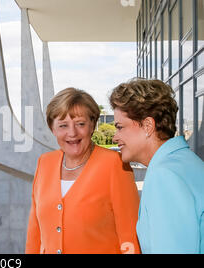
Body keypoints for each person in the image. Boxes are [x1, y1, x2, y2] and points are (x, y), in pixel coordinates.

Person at [26, 88, 141, 254]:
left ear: (92, 125)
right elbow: (34, 232)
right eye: (63, 125)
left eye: (80, 124)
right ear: (53, 129)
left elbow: (130, 236)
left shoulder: (115, 164)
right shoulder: (44, 163)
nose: (72, 133)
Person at [110, 78, 204, 254]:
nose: (115, 137)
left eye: (120, 127)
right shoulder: (186, 162)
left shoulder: (165, 175)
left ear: (147, 126)